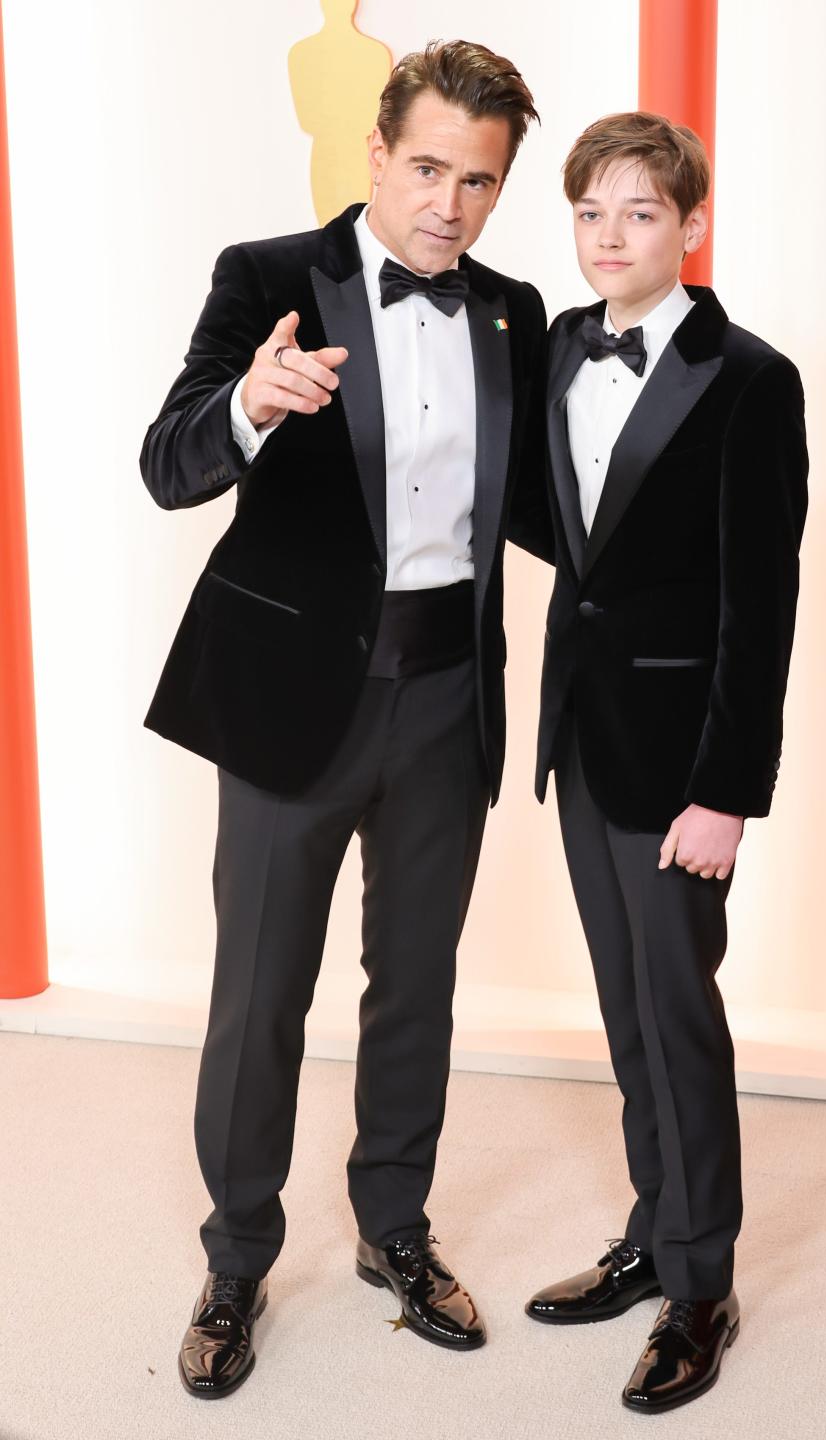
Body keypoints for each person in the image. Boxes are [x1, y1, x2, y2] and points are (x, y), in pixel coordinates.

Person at [139, 39, 549, 1398]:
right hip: (291, 700)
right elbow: (167, 461)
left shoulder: (511, 309)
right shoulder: (266, 278)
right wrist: (248, 406)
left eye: (477, 180)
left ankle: (394, 1232)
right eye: (427, 166)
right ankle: (239, 1255)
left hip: (446, 698)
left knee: (414, 987)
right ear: (376, 153)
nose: (448, 200)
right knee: (259, 992)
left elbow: (548, 509)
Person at [525, 111, 808, 1414]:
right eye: (591, 212)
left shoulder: (751, 378)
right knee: (629, 1009)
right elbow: (565, 535)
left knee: (681, 1017)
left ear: (690, 225)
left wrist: (726, 791)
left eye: (639, 212)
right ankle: (654, 1230)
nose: (609, 237)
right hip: (585, 739)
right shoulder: (561, 351)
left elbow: (763, 603)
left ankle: (703, 1283)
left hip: (684, 762)